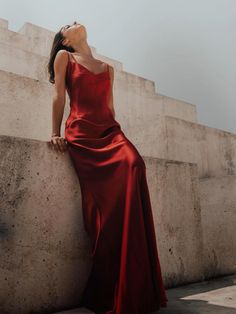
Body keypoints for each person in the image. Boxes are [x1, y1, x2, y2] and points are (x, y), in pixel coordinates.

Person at [47, 20, 168, 314]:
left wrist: (117, 134)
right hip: (83, 134)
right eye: (67, 24)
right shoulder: (65, 57)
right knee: (106, 209)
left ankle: (135, 281)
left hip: (111, 132)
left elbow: (110, 108)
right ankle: (110, 284)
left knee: (135, 164)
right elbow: (59, 95)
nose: (74, 22)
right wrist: (55, 132)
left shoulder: (108, 68)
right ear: (64, 39)